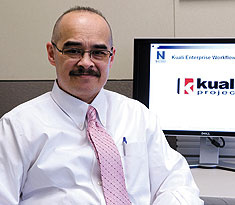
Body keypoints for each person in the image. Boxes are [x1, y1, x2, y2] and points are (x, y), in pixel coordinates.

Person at [0, 6, 203, 205]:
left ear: (111, 57)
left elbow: (177, 184)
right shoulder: (16, 128)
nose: (86, 62)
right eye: (73, 50)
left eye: (98, 52)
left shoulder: (137, 115)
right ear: (52, 53)